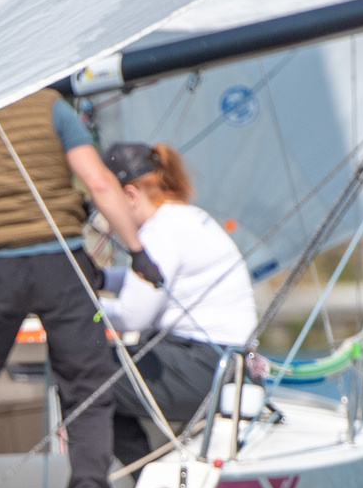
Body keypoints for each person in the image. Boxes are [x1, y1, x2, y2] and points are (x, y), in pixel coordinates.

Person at [0, 88, 162, 488]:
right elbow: (98, 183)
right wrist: (137, 251)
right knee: (86, 383)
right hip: (58, 259)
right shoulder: (51, 107)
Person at [93, 141, 258, 470]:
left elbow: (131, 317)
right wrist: (101, 279)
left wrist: (85, 306)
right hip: (232, 367)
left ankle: (137, 478)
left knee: (81, 373)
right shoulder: (188, 217)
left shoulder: (159, 234)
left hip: (203, 369)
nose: (105, 216)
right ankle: (142, 471)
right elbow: (156, 281)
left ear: (129, 195)